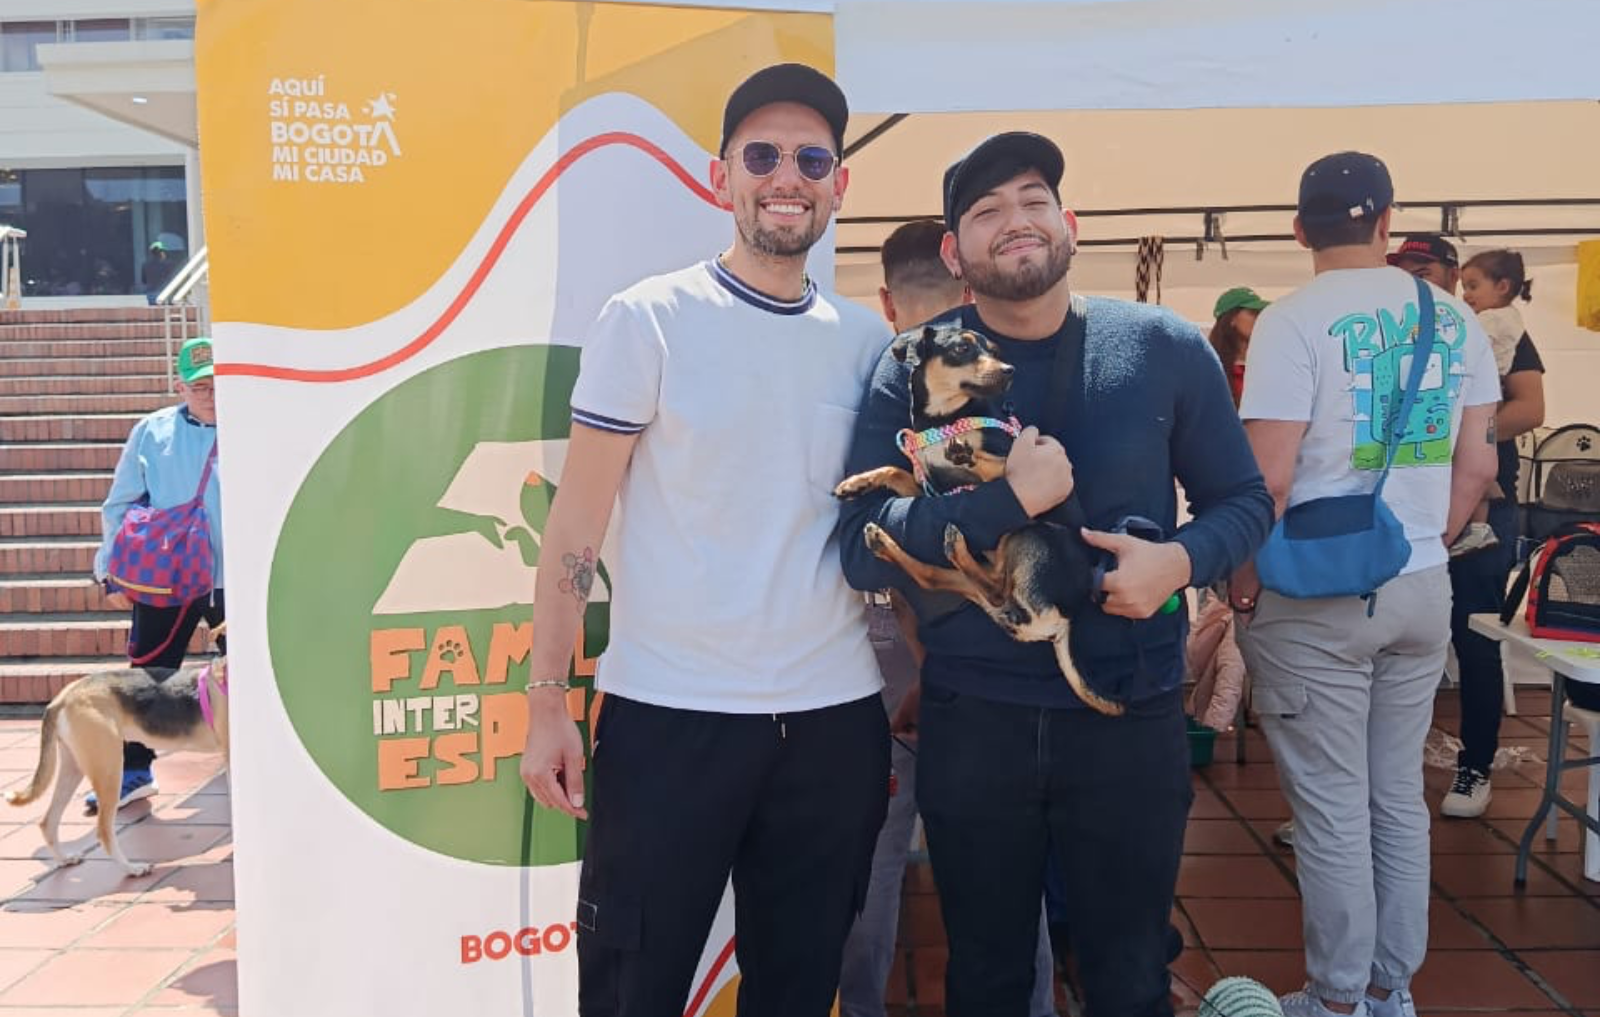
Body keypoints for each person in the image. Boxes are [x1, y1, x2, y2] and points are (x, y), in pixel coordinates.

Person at [838, 131, 1272, 1017]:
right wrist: (1005, 504)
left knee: (1127, 977)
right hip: (974, 719)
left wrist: (1180, 561)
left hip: (1129, 710)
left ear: (1069, 225)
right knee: (989, 979)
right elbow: (859, 539)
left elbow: (1245, 502)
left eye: (1034, 200)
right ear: (955, 251)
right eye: (987, 210)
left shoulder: (1161, 347)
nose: (1017, 220)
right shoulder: (912, 368)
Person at [517, 64, 891, 1016]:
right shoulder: (650, 319)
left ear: (839, 185)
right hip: (668, 716)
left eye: (812, 158)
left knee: (801, 991)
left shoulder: (866, 341)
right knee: (629, 989)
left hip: (832, 722)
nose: (786, 176)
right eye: (761, 154)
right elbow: (575, 526)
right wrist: (547, 702)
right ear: (719, 174)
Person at [1231, 152, 1500, 1017]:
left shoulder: (1291, 321)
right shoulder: (1453, 315)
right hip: (1422, 581)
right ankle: (1393, 987)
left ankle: (1338, 997)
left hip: (1316, 594)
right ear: (1387, 222)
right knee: (1397, 797)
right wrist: (1428, 538)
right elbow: (1478, 465)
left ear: (1300, 228)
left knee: (1332, 805)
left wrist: (1238, 572)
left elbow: (1269, 477)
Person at [838, 219, 1058, 1017]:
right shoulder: (1010, 391)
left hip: (887, 660)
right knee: (1004, 875)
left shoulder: (870, 386)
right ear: (969, 289)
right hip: (993, 663)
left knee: (870, 865)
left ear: (887, 298)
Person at [91, 335, 225, 814]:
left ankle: (258, 759)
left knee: (251, 672)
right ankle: (133, 773)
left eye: (218, 383)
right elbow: (120, 503)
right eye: (199, 385)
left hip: (236, 575)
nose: (210, 392)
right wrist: (109, 571)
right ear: (179, 386)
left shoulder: (258, 428)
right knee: (149, 675)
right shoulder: (152, 431)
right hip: (167, 576)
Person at [1438, 246, 1546, 816]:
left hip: (1480, 500)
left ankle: (1475, 767)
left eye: (1429, 274)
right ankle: (1370, 783)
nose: (1419, 284)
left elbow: (1529, 409)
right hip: (1413, 509)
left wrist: (1454, 437)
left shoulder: (1495, 331)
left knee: (1475, 637)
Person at [1209, 287, 1269, 407]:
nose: (1259, 318)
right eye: (1253, 313)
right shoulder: (1210, 367)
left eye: (1261, 313)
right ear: (1231, 319)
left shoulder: (1269, 362)